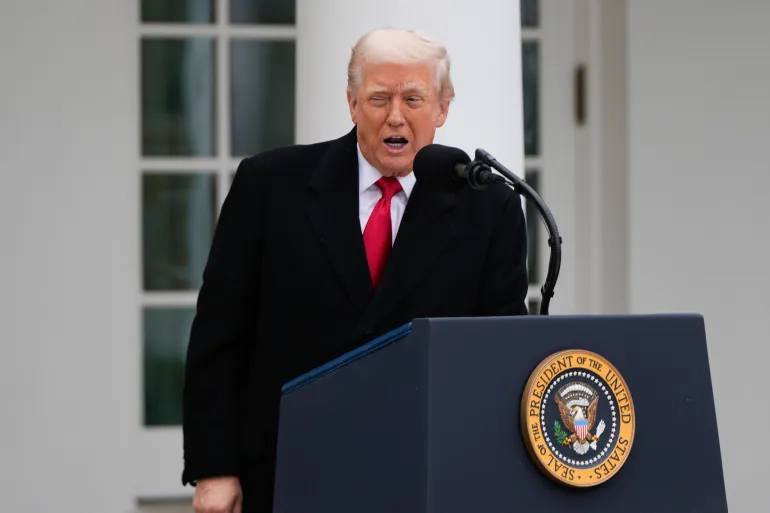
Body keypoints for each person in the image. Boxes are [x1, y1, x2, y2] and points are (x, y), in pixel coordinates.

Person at [182, 27, 529, 513]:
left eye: (413, 99)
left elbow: (499, 351)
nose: (395, 116)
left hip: (427, 473)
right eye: (378, 98)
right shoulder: (270, 186)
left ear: (442, 108)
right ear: (351, 104)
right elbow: (219, 336)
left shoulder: (489, 206)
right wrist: (215, 467)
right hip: (288, 469)